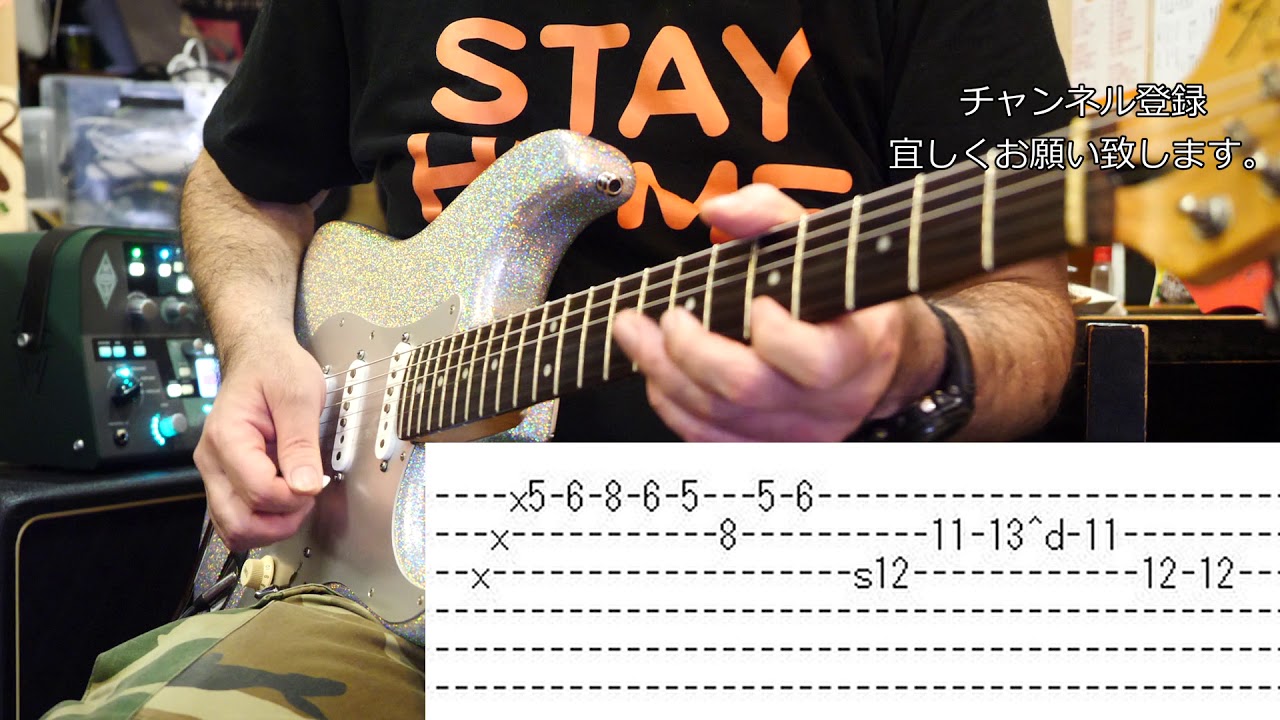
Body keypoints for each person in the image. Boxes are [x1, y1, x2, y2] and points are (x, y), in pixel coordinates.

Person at [46, 1, 1075, 717]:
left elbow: (1024, 306)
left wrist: (914, 358)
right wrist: (259, 344)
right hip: (382, 594)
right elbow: (243, 183)